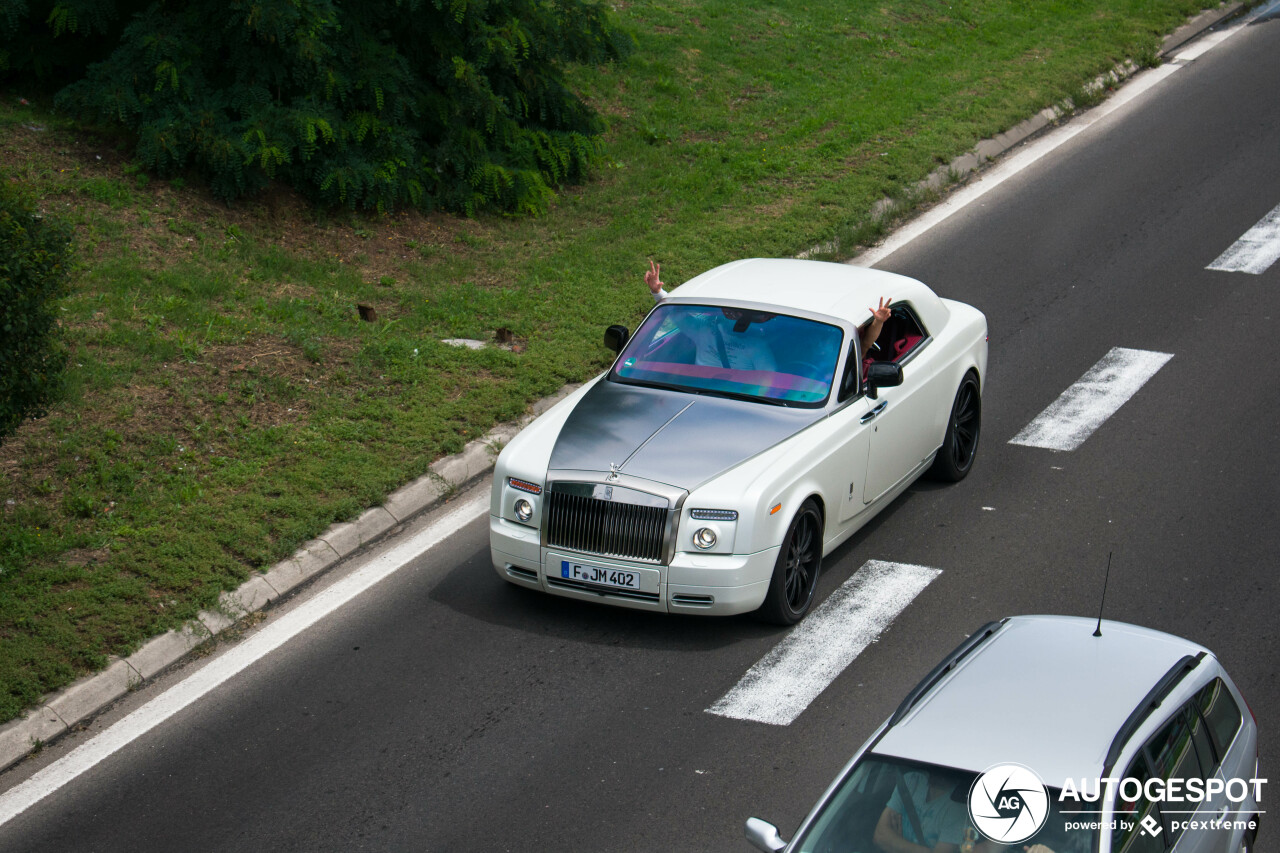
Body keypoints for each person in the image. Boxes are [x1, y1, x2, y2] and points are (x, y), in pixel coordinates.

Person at [644, 259, 891, 358]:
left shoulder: (758, 348)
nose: (733, 320)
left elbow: (863, 348)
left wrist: (878, 323)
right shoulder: (703, 330)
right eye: (729, 314)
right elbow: (677, 312)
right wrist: (658, 292)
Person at [871, 768, 970, 853]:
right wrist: (925, 851)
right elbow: (879, 836)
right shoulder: (911, 781)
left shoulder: (959, 807)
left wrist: (895, 843)